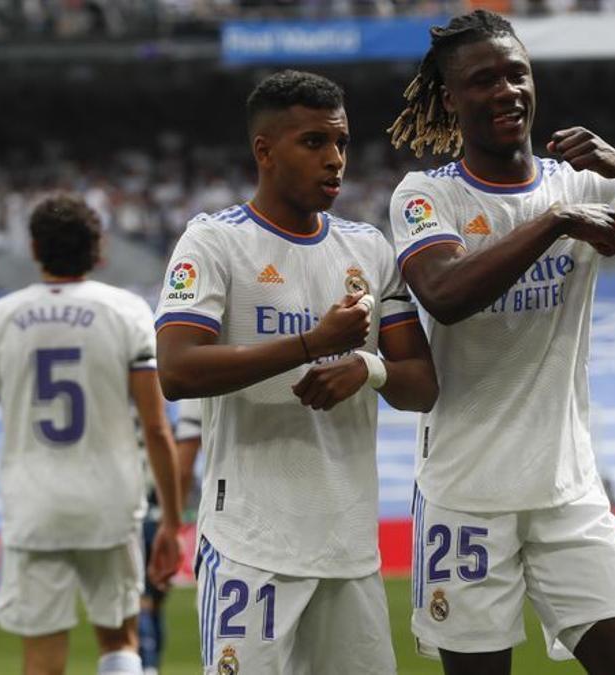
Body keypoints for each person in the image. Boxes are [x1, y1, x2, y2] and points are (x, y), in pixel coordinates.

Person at [385, 10, 615, 675]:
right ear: (451, 99)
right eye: (482, 80)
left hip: (569, 488)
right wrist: (554, 223)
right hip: (466, 493)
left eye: (517, 74)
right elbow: (446, 294)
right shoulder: (426, 195)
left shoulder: (580, 182)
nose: (506, 91)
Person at [154, 70, 439, 675]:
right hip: (250, 546)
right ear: (265, 151)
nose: (334, 160)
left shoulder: (369, 250)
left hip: (348, 549)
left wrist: (368, 367)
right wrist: (311, 342)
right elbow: (176, 370)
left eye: (340, 143)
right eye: (313, 143)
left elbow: (422, 384)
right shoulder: (213, 243)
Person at [0, 195, 183, 675]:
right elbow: (157, 427)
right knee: (121, 638)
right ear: (99, 252)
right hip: (111, 501)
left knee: (42, 655)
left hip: (33, 507)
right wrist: (171, 522)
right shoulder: (127, 310)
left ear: (34, 249)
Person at [138, 397, 202, 675]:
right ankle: (154, 664)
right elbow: (185, 476)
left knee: (140, 601)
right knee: (157, 602)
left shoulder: (134, 437)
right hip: (162, 520)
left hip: (140, 524)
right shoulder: (169, 436)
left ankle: (148, 664)